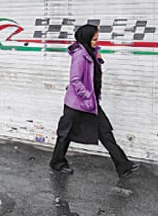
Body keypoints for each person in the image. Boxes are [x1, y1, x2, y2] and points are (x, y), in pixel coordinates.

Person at [49, 24, 140, 177]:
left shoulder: (91, 52)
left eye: (97, 39)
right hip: (76, 104)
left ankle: (123, 165)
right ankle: (57, 162)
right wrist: (87, 96)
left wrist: (98, 59)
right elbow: (75, 80)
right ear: (86, 38)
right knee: (65, 134)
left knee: (105, 132)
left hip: (91, 104)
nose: (96, 42)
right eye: (94, 39)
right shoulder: (79, 55)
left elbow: (93, 75)